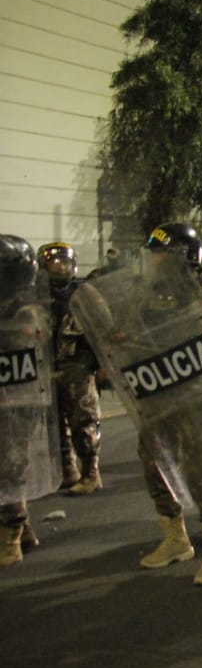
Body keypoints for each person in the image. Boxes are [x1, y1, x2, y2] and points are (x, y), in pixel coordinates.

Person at [74, 224, 202, 585]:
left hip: (192, 399)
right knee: (156, 469)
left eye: (160, 252)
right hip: (155, 398)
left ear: (180, 256)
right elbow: (128, 330)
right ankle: (175, 538)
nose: (153, 259)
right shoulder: (143, 294)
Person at [0, 235, 59, 567]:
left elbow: (22, 342)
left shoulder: (26, 311)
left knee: (10, 466)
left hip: (18, 404)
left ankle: (10, 538)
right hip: (8, 398)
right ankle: (23, 529)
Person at [37, 242, 103, 494]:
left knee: (84, 421)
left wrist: (100, 365)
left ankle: (91, 474)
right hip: (45, 368)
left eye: (64, 261)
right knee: (54, 425)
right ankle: (68, 470)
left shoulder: (85, 294)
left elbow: (103, 329)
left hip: (77, 367)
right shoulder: (35, 296)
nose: (60, 266)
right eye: (54, 262)